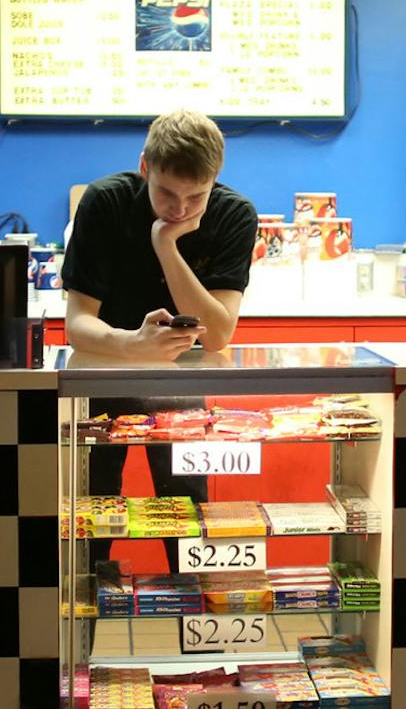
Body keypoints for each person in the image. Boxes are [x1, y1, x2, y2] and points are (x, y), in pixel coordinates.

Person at [60, 110, 260, 562]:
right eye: (167, 193)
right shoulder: (105, 201)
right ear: (145, 166)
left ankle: (190, 622)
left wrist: (165, 243)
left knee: (187, 527)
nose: (181, 209)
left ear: (215, 180)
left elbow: (218, 336)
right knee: (92, 524)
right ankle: (88, 622)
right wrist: (133, 344)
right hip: (101, 384)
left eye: (196, 196)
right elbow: (78, 326)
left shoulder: (233, 214)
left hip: (182, 393)